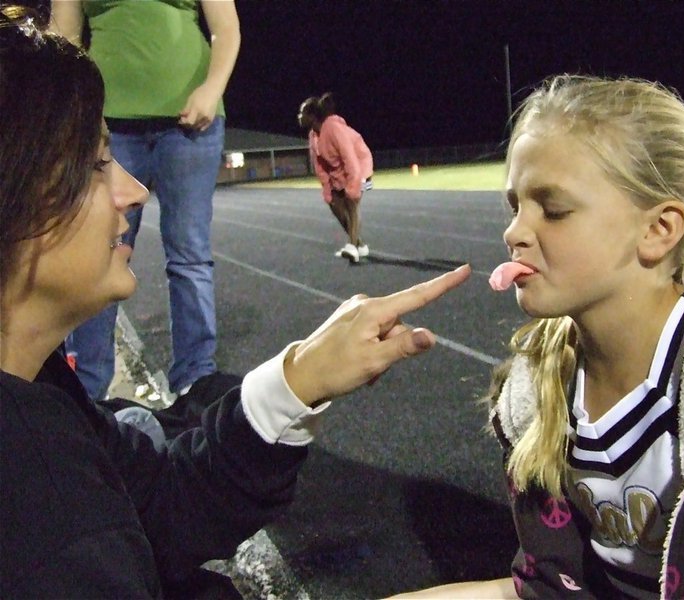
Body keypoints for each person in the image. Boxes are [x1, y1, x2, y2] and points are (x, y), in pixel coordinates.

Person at [0, 8, 471, 597]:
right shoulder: (50, 538)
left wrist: (298, 378)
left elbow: (159, 504)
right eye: (98, 163)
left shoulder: (43, 398)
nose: (134, 189)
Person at [392, 76, 684, 599]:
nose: (514, 231)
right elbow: (547, 586)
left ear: (658, 229)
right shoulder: (538, 391)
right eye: (515, 205)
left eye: (553, 209)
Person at [48, 0, 240, 402]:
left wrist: (211, 88)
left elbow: (226, 29)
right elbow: (63, 37)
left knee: (189, 254)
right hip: (106, 123)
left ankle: (195, 377)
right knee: (97, 253)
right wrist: (71, 112)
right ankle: (87, 387)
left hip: (191, 123)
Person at [298, 92, 374, 263]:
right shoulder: (313, 136)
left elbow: (350, 158)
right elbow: (320, 166)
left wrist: (354, 188)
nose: (299, 117)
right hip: (340, 171)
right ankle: (359, 245)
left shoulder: (333, 128)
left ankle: (352, 246)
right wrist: (327, 191)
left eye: (302, 113)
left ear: (312, 116)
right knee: (336, 206)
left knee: (351, 203)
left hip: (360, 165)